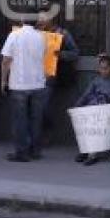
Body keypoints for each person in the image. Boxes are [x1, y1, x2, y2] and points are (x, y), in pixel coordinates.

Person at [1, 14, 47, 162]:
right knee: (36, 119)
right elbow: (44, 56)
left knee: (20, 120)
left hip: (19, 83)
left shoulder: (14, 35)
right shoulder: (42, 37)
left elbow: (6, 60)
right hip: (38, 83)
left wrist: (3, 81)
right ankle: (35, 150)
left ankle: (21, 152)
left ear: (22, 20)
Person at [74, 54, 110, 166]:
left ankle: (92, 155)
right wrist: (77, 106)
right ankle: (85, 150)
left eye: (105, 68)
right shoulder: (96, 80)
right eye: (101, 68)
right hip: (95, 108)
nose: (102, 71)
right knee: (85, 121)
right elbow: (86, 95)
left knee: (97, 123)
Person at [36, 12, 80, 147]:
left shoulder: (63, 33)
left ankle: (46, 134)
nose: (41, 22)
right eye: (39, 19)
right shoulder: (35, 34)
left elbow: (75, 53)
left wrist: (60, 54)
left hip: (50, 76)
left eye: (44, 19)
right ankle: (35, 136)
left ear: (51, 20)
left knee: (43, 108)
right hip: (33, 76)